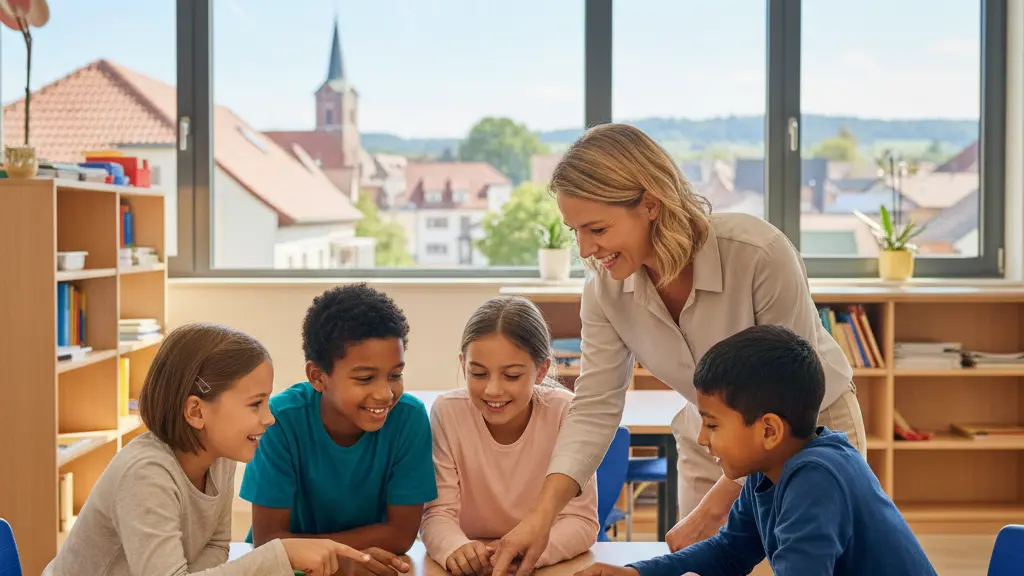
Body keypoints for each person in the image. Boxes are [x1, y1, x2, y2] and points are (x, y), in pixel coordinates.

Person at [488, 123, 866, 576]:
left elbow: (791, 393)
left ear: (650, 204)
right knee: (705, 566)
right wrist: (541, 517)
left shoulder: (758, 253)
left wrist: (712, 511)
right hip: (712, 439)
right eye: (576, 232)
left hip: (809, 430)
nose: (587, 249)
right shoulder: (605, 291)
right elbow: (595, 407)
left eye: (598, 229)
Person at [574, 325, 935, 576]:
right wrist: (635, 573)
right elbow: (729, 552)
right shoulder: (769, 470)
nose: (702, 438)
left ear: (769, 430)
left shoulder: (816, 479)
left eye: (713, 424)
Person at [43, 322, 372, 576]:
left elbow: (215, 547)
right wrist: (280, 555)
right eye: (255, 404)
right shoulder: (145, 474)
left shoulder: (219, 459)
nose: (269, 418)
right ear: (196, 411)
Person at [240, 284, 436, 573]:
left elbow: (400, 534)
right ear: (318, 377)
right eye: (365, 378)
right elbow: (269, 542)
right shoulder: (279, 421)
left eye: (395, 374)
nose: (385, 393)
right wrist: (341, 561)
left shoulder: (409, 418)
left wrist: (322, 553)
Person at [420, 296, 599, 576]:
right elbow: (436, 514)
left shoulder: (565, 412)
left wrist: (530, 552)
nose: (493, 390)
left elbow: (581, 521)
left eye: (512, 376)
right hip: (474, 567)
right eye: (478, 373)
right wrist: (456, 548)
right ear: (462, 363)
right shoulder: (447, 412)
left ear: (541, 370)